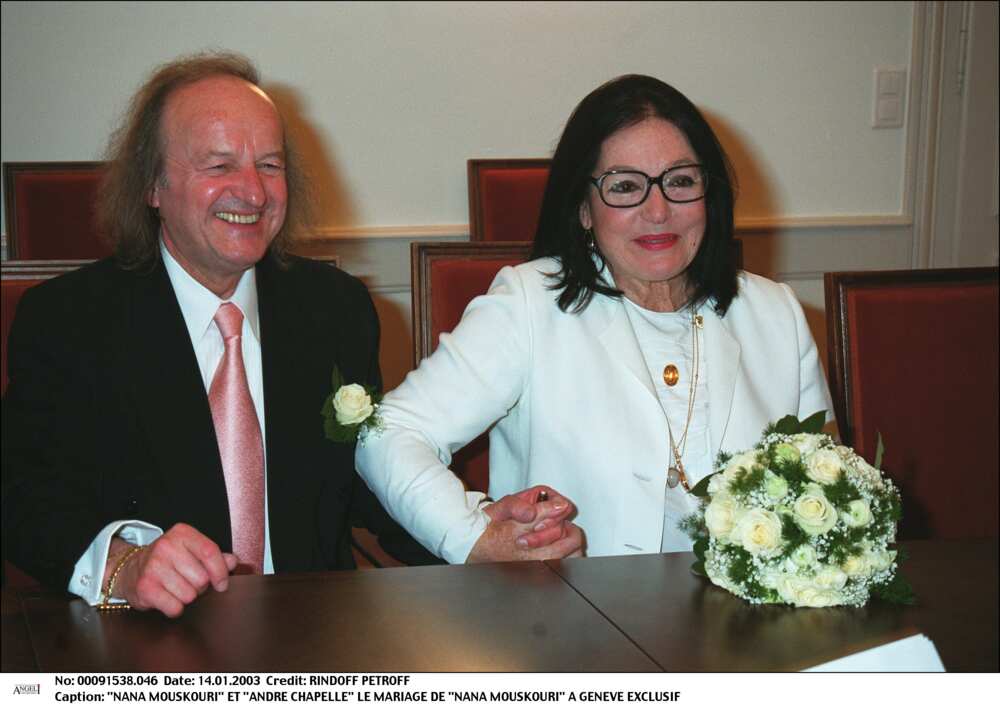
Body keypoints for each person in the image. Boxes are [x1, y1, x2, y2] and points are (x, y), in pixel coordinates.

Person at [1, 52, 576, 618]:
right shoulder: (70, 321)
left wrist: (475, 531)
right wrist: (123, 566)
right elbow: (23, 499)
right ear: (153, 185)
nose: (253, 192)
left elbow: (358, 486)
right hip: (151, 645)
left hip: (316, 634)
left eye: (270, 165)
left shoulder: (334, 309)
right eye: (219, 165)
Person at [357, 74, 834, 561]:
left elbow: (830, 488)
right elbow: (389, 433)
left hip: (748, 626)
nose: (658, 210)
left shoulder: (777, 314)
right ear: (584, 208)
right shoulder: (528, 305)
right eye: (624, 186)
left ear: (708, 195)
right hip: (574, 621)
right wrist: (472, 539)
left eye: (680, 181)